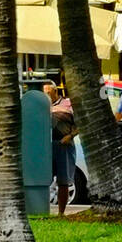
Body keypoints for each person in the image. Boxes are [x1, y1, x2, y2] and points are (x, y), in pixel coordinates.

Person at [44, 82, 77, 215]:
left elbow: (79, 124)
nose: (46, 95)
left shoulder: (68, 104)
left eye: (48, 93)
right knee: (44, 179)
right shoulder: (42, 105)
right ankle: (43, 210)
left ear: (55, 91)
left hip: (64, 146)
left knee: (63, 181)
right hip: (46, 146)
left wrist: (70, 136)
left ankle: (61, 213)